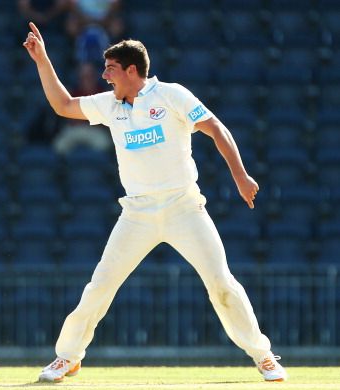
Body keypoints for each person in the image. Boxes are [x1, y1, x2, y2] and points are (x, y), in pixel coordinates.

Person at [23, 22, 288, 383]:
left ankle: (263, 355)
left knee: (222, 284)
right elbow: (63, 105)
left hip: (184, 207)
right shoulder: (110, 104)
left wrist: (240, 175)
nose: (104, 76)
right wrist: (42, 60)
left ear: (132, 70)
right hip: (137, 213)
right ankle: (66, 357)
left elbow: (216, 128)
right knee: (100, 285)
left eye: (111, 69)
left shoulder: (171, 95)